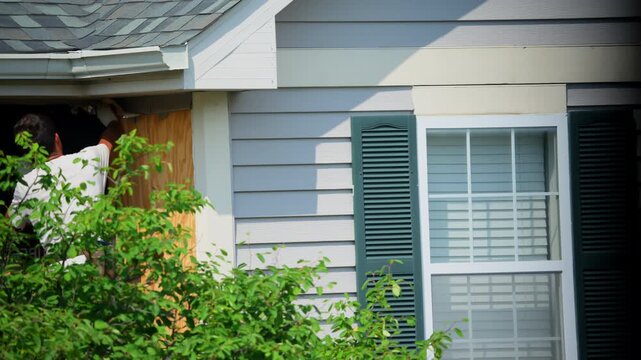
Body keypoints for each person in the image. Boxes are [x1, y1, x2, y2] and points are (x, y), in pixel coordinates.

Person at [9, 100, 125, 264]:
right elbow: (114, 130)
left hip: (60, 271)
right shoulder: (90, 159)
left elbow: (8, 228)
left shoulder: (26, 184)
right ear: (56, 139)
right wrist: (106, 109)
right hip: (95, 265)